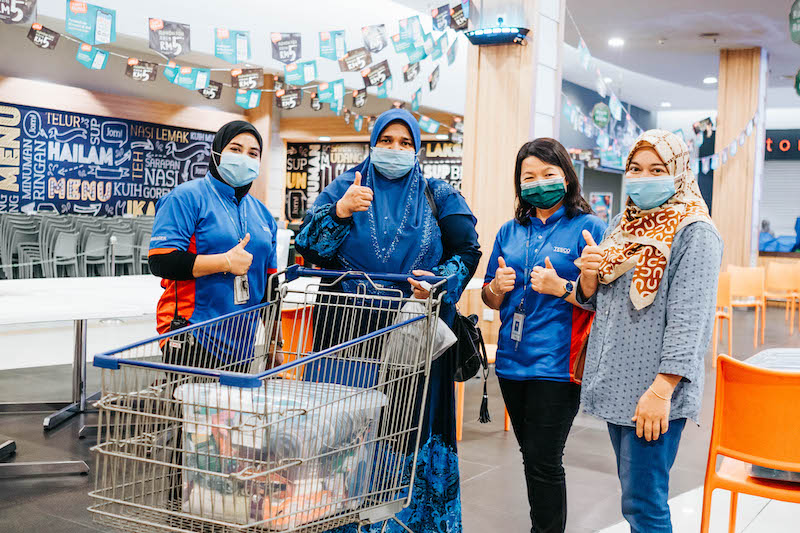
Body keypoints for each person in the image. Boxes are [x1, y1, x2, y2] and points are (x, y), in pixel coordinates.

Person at [294, 108, 481, 532]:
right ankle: (337, 520)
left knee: (405, 428)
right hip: (345, 333)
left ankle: (407, 523)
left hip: (412, 337)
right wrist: (340, 213)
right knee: (342, 430)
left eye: (405, 143)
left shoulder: (440, 195)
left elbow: (468, 251)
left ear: (417, 150)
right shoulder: (344, 188)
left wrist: (439, 284)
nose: (395, 150)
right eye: (386, 141)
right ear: (372, 143)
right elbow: (309, 249)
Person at [576, 130, 722, 533]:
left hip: (655, 389)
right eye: (636, 169)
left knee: (643, 503)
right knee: (634, 494)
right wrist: (589, 277)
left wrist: (661, 390)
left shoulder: (695, 231)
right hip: (618, 380)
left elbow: (690, 322)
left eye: (657, 169)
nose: (644, 177)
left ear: (678, 173)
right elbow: (599, 301)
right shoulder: (623, 225)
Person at [481, 138, 606, 533]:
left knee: (544, 460)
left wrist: (566, 285)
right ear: (519, 185)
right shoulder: (509, 230)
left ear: (567, 177)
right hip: (512, 362)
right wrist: (497, 287)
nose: (539, 183)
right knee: (532, 457)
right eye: (528, 177)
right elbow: (489, 297)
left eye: (548, 174)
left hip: (558, 363)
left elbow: (601, 298)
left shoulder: (591, 228)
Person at [148, 120, 281, 370]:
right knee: (195, 409)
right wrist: (225, 262)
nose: (244, 158)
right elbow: (161, 261)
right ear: (217, 152)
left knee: (231, 409)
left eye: (253, 153)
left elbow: (271, 286)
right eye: (235, 149)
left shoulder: (263, 215)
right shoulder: (186, 197)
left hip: (242, 341)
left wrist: (275, 341)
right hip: (192, 332)